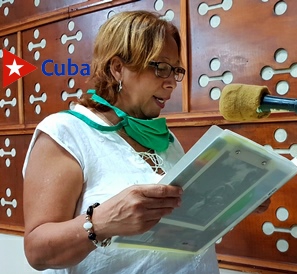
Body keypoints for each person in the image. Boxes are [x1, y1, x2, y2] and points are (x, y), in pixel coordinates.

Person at [22, 10, 270, 273]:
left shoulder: (167, 139)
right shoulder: (67, 133)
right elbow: (37, 252)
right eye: (161, 67)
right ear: (117, 68)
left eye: (175, 70)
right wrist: (101, 222)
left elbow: (183, 222)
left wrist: (235, 197)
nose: (171, 83)